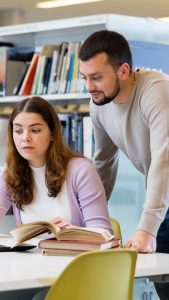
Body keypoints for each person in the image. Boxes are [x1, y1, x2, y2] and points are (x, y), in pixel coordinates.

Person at [79, 29, 169, 299]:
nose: (89, 86)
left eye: (96, 77)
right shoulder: (99, 104)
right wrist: (84, 222)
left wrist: (145, 227)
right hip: (166, 203)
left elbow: (164, 159)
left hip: (163, 194)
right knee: (163, 285)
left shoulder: (156, 90)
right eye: (85, 77)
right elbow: (104, 162)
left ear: (124, 70)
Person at [0, 96, 113, 299]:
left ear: (52, 133)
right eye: (18, 130)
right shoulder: (9, 174)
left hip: (78, 271)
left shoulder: (80, 170)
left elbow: (104, 233)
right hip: (31, 271)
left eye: (35, 130)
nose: (25, 137)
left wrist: (72, 232)